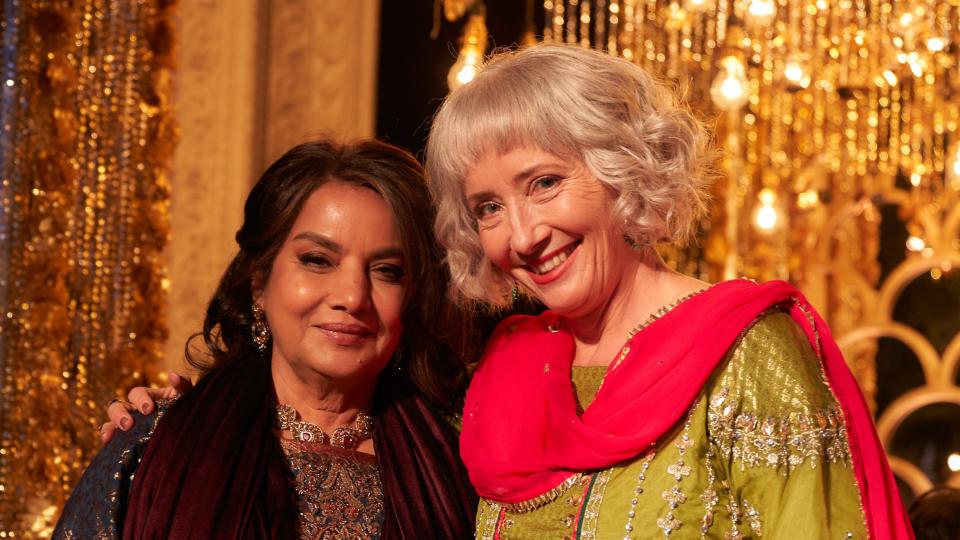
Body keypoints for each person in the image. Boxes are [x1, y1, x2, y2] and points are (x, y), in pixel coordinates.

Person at [424, 44, 912, 538]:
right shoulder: (504, 368)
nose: (523, 236)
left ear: (623, 169)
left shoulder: (745, 351)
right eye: (489, 208)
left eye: (545, 183)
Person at [54, 139, 477, 539]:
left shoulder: (461, 462)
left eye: (387, 270)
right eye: (317, 260)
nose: (352, 297)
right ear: (259, 283)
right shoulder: (152, 448)